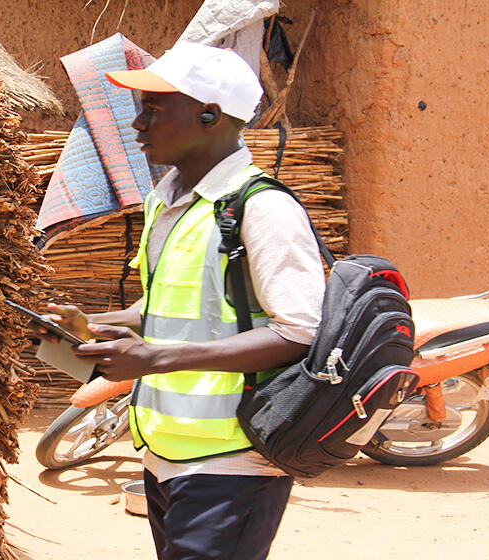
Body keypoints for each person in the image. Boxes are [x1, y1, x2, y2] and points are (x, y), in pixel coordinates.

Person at [41, 42, 326, 560]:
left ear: (209, 115)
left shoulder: (262, 209)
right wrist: (89, 323)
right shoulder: (166, 203)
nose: (138, 125)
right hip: (164, 451)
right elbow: (168, 309)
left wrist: (157, 358)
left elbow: (300, 332)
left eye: (154, 110)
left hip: (235, 459)